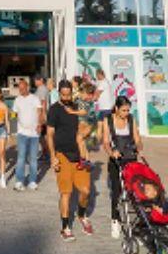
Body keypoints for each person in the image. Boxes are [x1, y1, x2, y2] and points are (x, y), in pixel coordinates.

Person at [46, 79, 94, 241]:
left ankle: (81, 215)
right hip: (62, 155)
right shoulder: (54, 110)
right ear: (59, 93)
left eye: (68, 95)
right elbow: (50, 134)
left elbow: (87, 119)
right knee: (66, 193)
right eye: (63, 95)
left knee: (85, 190)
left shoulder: (76, 106)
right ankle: (65, 227)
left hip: (79, 155)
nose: (66, 97)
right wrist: (52, 156)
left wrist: (87, 131)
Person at [101, 96, 142, 239]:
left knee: (134, 191)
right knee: (116, 191)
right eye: (124, 110)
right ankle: (115, 220)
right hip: (116, 160)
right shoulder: (108, 120)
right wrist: (112, 153)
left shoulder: (131, 119)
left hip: (130, 158)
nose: (126, 113)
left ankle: (137, 224)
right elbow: (105, 142)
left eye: (128, 110)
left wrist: (138, 146)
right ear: (117, 109)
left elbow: (137, 138)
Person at [11, 79, 42, 191]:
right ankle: (19, 181)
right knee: (21, 158)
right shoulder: (17, 100)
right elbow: (14, 114)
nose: (21, 90)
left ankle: (32, 181)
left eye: (23, 88)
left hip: (34, 133)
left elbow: (40, 112)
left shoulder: (34, 98)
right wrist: (12, 123)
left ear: (27, 87)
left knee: (33, 159)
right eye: (19, 89)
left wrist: (39, 124)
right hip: (22, 133)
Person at [34, 76, 51, 161]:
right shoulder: (41, 89)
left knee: (42, 135)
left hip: (40, 115)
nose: (35, 82)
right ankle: (45, 153)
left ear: (41, 80)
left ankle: (47, 154)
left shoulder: (42, 89)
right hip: (40, 114)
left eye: (36, 80)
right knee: (42, 136)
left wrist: (42, 116)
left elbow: (43, 102)